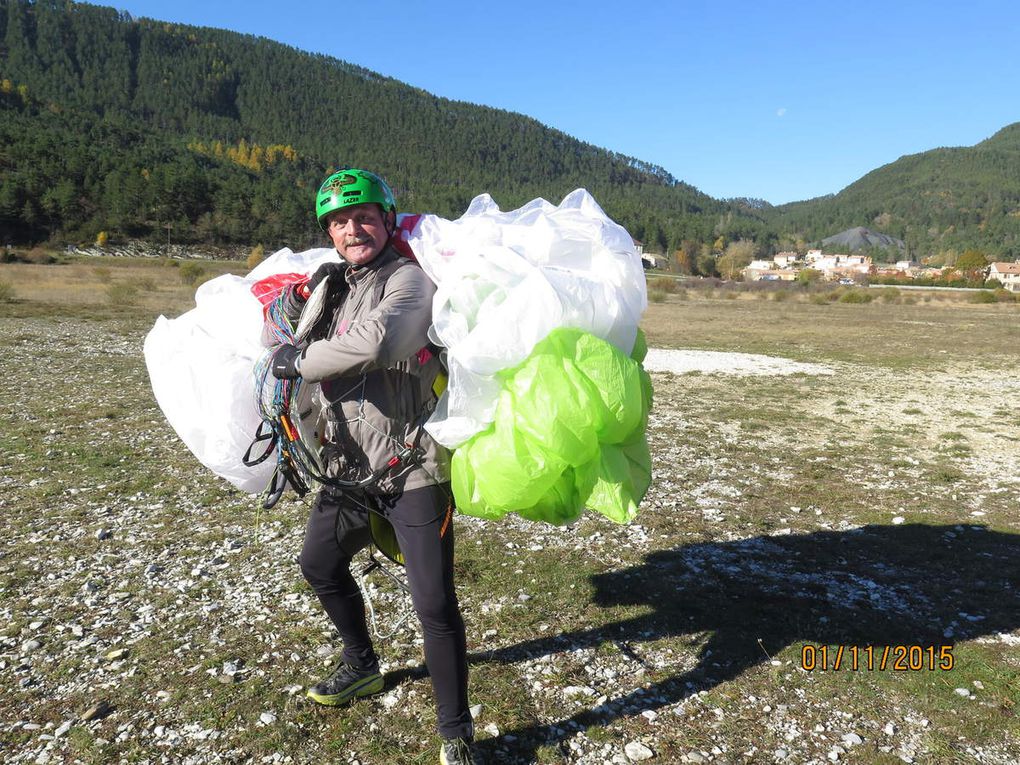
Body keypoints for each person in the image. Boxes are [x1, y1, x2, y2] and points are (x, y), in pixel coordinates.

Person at [270, 169, 475, 765]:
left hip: (410, 468)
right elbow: (279, 337)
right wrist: (286, 314)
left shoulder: (409, 281)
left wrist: (297, 361)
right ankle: (361, 664)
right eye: (338, 221)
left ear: (387, 220)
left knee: (433, 603)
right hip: (347, 467)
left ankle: (455, 732)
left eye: (362, 217)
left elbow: (379, 343)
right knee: (319, 565)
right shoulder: (330, 285)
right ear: (329, 233)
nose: (351, 229)